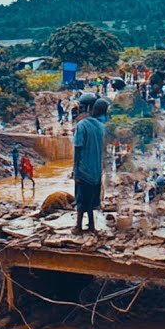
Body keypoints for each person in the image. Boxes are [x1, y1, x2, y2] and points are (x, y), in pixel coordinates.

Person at [73, 98, 108, 234]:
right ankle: (91, 225)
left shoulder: (82, 126)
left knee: (81, 200)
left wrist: (75, 171)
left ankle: (78, 226)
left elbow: (77, 149)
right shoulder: (102, 127)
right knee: (92, 200)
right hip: (96, 171)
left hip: (83, 170)